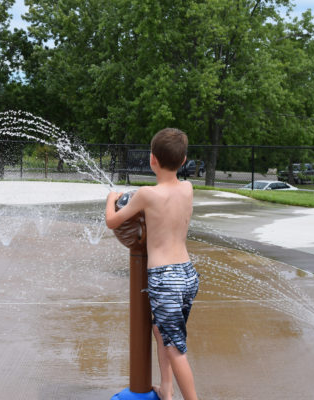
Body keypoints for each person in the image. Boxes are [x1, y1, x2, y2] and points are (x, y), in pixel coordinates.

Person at [105, 128, 199, 400]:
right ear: (183, 161)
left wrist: (111, 200)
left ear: (151, 160)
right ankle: (166, 392)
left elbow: (113, 221)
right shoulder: (188, 188)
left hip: (164, 278)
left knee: (175, 348)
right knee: (163, 332)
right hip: (187, 274)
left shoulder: (146, 194)